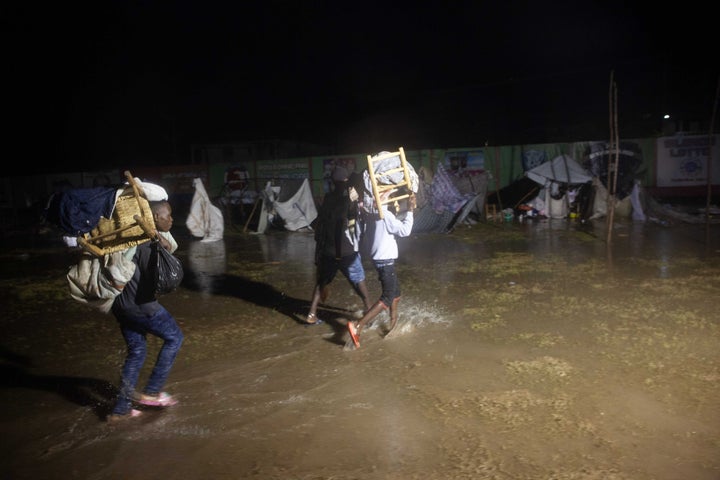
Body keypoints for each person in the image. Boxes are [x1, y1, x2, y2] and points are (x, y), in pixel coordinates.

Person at [107, 200, 185, 423]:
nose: (171, 219)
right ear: (154, 218)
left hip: (120, 306)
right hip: (142, 306)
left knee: (137, 351)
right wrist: (161, 246)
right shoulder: (147, 244)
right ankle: (152, 391)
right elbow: (161, 276)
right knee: (175, 338)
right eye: (167, 215)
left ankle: (120, 410)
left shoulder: (129, 240)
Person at [347, 186, 416, 348]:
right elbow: (405, 231)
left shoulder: (372, 214)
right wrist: (411, 210)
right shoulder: (386, 215)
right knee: (387, 296)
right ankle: (358, 325)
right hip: (385, 262)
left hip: (379, 261)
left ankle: (393, 324)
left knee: (396, 293)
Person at [305, 166, 372, 325]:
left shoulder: (328, 198)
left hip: (328, 251)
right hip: (347, 250)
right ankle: (369, 310)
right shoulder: (350, 196)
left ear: (333, 182)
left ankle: (311, 314)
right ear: (346, 180)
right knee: (359, 280)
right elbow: (359, 211)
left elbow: (320, 221)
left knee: (322, 281)